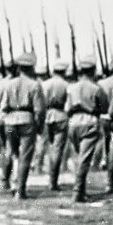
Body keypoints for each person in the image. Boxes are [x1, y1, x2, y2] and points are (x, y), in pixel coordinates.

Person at [0, 52, 46, 200]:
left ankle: (12, 183)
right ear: (31, 68)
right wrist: (39, 126)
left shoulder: (9, 84)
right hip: (27, 120)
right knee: (25, 156)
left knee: (14, 154)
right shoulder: (35, 85)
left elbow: (3, 106)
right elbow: (40, 109)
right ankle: (20, 190)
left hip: (10, 120)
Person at [66, 56, 109, 202]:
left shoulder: (71, 88)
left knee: (79, 159)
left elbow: (67, 109)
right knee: (84, 160)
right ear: (92, 71)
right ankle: (77, 192)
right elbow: (104, 108)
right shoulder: (96, 88)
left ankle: (81, 190)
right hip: (90, 122)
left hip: (73, 123)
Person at [42, 59, 70, 191]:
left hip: (47, 115)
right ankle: (53, 181)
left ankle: (50, 177)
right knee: (58, 150)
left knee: (49, 148)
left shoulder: (44, 84)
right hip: (61, 115)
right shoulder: (67, 85)